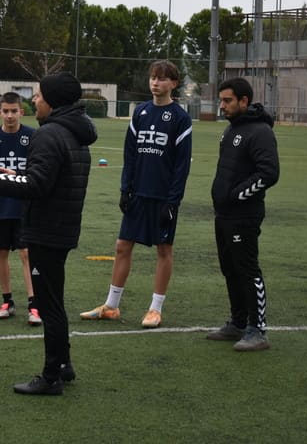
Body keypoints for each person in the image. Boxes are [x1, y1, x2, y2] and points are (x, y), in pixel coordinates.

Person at [0, 72, 97, 396]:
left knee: (49, 306)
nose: (34, 100)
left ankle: (51, 377)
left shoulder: (49, 134)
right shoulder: (75, 132)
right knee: (55, 301)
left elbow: (37, 186)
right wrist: (19, 174)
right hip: (63, 227)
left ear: (53, 100)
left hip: (46, 230)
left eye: (38, 95)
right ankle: (63, 365)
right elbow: (50, 177)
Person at [80, 60, 192, 328]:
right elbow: (130, 154)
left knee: (163, 249)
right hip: (138, 193)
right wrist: (125, 189)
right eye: (153, 77)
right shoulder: (140, 112)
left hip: (163, 197)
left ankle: (155, 309)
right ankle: (111, 306)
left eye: (162, 78)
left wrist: (173, 201)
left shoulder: (180, 118)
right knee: (122, 246)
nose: (155, 83)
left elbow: (182, 165)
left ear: (173, 84)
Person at [206, 77, 279, 351]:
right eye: (221, 100)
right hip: (224, 214)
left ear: (244, 101)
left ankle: (257, 330)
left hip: (244, 215)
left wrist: (237, 196)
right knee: (230, 268)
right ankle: (237, 322)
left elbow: (269, 173)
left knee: (247, 270)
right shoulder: (231, 129)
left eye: (228, 101)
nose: (222, 106)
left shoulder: (260, 132)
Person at [0, 92, 40, 325]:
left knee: (26, 253)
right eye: (6, 111)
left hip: (25, 206)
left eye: (14, 111)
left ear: (22, 112)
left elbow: (38, 173)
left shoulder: (32, 136)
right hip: (0, 206)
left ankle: (34, 305)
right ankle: (7, 301)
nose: (10, 115)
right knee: (1, 252)